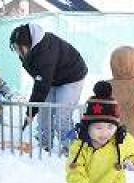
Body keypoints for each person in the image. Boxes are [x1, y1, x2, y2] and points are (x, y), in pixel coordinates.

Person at [9, 23, 87, 152]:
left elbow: (41, 86)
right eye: (15, 48)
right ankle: (44, 143)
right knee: (44, 112)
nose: (17, 51)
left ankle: (71, 148)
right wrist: (33, 110)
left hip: (72, 77)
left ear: (28, 44)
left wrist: (30, 113)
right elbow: (40, 80)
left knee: (62, 116)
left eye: (19, 47)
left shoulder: (45, 53)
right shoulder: (29, 51)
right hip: (52, 77)